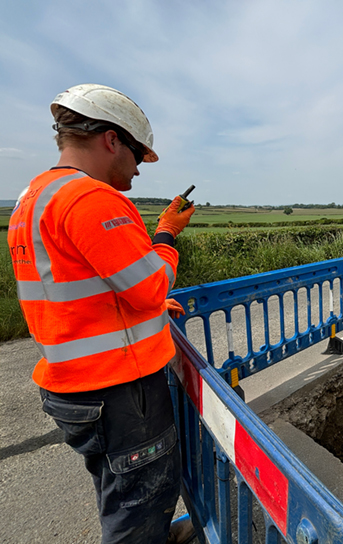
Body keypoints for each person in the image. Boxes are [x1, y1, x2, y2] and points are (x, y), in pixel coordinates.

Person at [8, 84, 195, 544]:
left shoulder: (32, 198)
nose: (137, 168)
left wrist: (135, 316)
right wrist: (167, 234)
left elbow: (78, 288)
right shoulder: (92, 199)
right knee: (141, 500)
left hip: (73, 385)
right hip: (118, 391)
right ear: (111, 139)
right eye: (136, 154)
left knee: (120, 490)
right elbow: (150, 286)